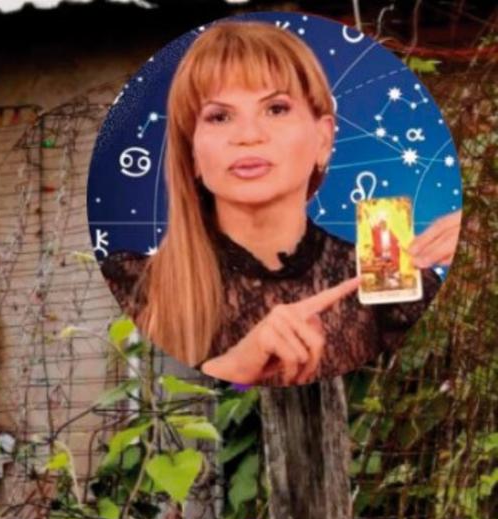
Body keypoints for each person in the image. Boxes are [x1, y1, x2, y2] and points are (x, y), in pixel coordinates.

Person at [100, 20, 461, 386]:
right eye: (220, 116)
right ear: (191, 151)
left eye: (276, 109)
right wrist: (233, 369)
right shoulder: (135, 286)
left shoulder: (386, 280)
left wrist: (476, 266)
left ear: (323, 138)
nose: (249, 135)